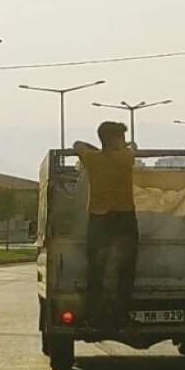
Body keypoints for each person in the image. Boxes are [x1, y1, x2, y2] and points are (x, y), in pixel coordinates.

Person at [74, 121, 138, 329]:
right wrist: (125, 146)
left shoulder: (92, 159)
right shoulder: (125, 157)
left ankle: (94, 314)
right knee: (126, 269)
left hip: (99, 220)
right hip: (124, 218)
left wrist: (95, 148)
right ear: (115, 140)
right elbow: (134, 146)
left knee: (96, 270)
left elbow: (77, 144)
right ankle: (121, 314)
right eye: (121, 137)